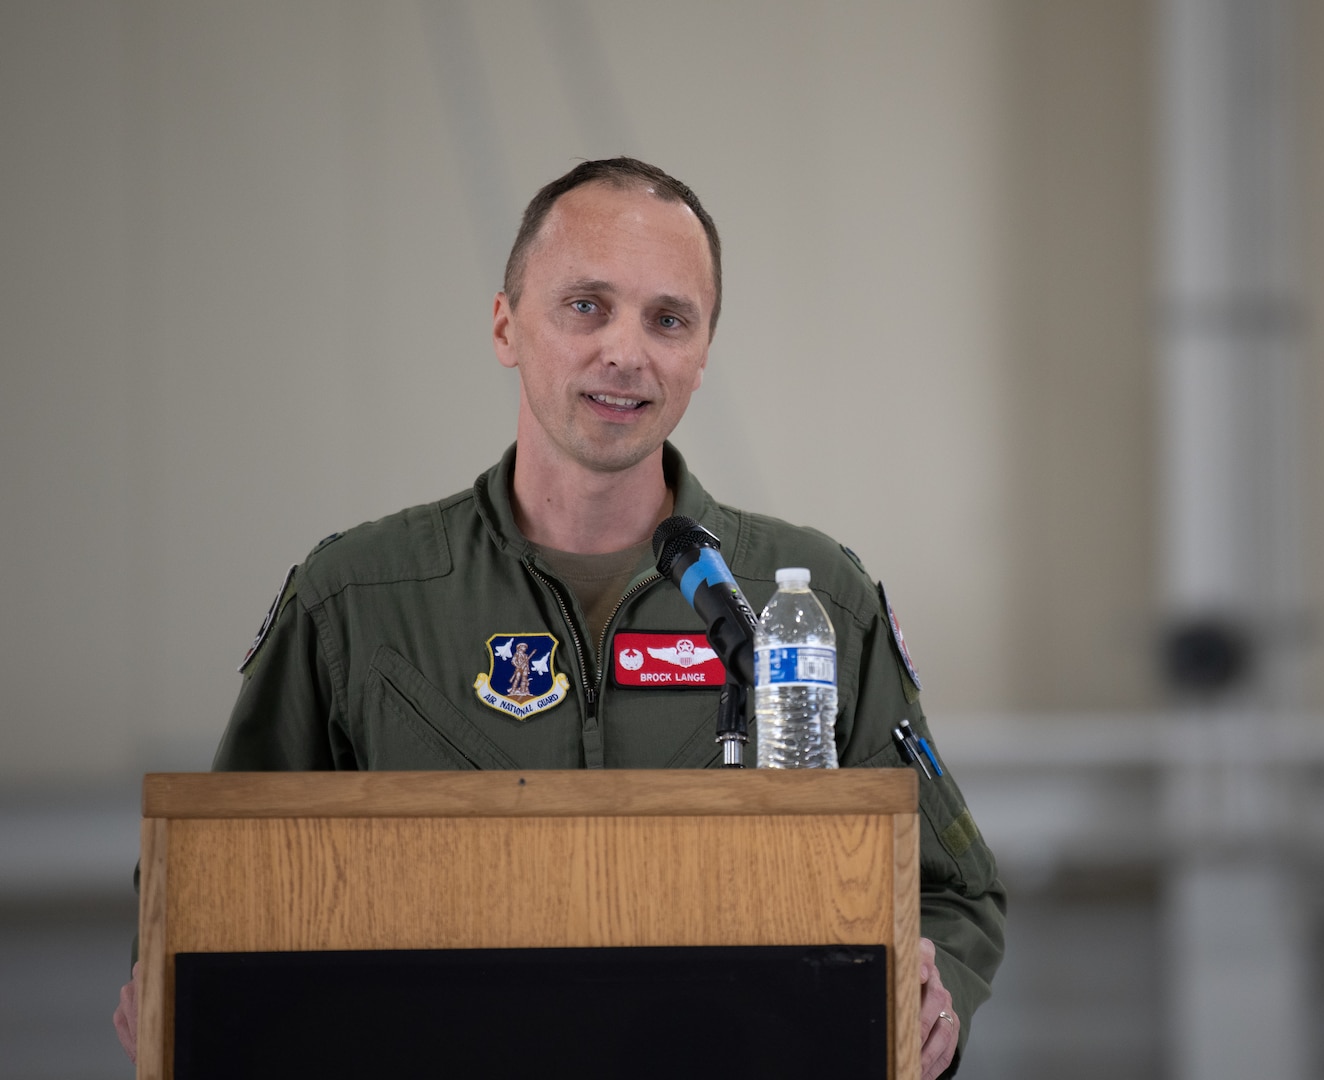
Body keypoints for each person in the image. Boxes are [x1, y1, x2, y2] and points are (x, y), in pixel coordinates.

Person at [113, 158, 1005, 1079]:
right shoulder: (356, 600)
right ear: (506, 326)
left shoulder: (811, 603)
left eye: (669, 319)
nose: (626, 350)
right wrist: (176, 979)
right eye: (586, 305)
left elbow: (954, 890)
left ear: (703, 354)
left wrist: (936, 1001)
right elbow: (222, 879)